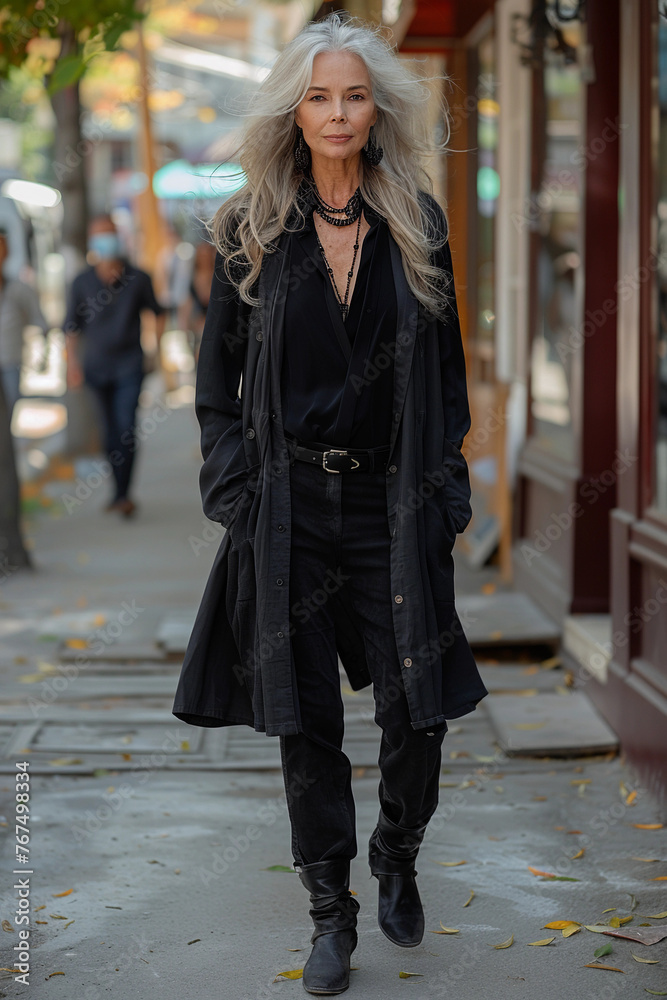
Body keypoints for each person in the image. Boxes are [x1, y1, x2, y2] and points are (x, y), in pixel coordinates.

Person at [172, 12, 488, 996]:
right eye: (318, 96)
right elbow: (216, 386)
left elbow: (447, 381)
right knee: (306, 721)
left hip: (393, 505)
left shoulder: (416, 222)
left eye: (353, 94)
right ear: (292, 111)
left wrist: (443, 500)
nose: (338, 112)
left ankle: (396, 851)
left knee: (419, 713)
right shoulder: (249, 229)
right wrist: (236, 490)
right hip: (288, 505)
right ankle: (329, 911)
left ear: (376, 106)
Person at [63, 215, 166, 518]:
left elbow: (158, 313)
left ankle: (123, 495)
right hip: (95, 368)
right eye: (99, 236)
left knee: (126, 427)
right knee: (109, 432)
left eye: (109, 235)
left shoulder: (138, 277)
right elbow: (71, 328)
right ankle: (117, 490)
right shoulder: (81, 282)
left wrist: (155, 350)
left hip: (129, 365)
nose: (105, 242)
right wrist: (72, 366)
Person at [0, 227, 50, 418]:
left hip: (11, 364)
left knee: (5, 422)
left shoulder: (19, 290)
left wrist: (43, 358)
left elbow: (41, 323)